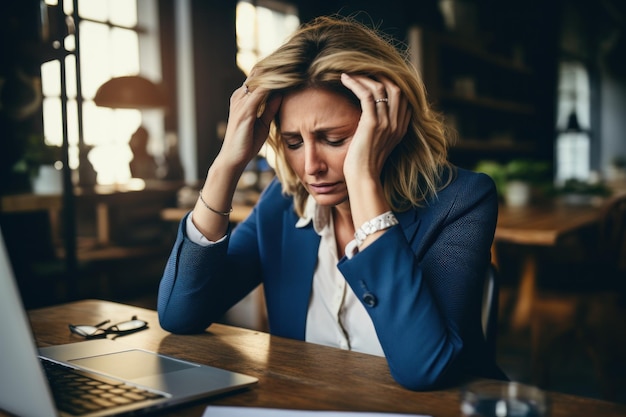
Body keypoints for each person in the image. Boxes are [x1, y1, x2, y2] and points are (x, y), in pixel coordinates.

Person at [157, 15, 507, 390]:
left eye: (335, 139)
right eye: (293, 143)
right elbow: (180, 314)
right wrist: (226, 164)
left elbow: (423, 369)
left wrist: (362, 179)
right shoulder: (283, 203)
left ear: (390, 124)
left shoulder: (462, 201)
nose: (311, 168)